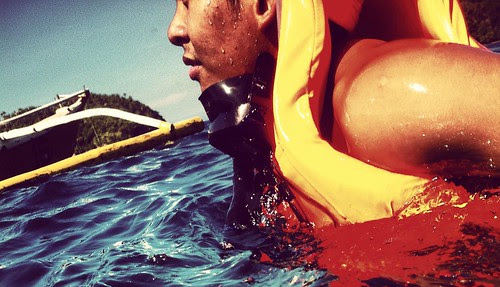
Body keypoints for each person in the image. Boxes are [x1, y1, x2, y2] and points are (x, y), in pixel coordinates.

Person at [168, 0, 499, 227]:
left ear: (263, 5)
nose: (174, 30)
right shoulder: (277, 139)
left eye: (186, 2)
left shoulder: (375, 95)